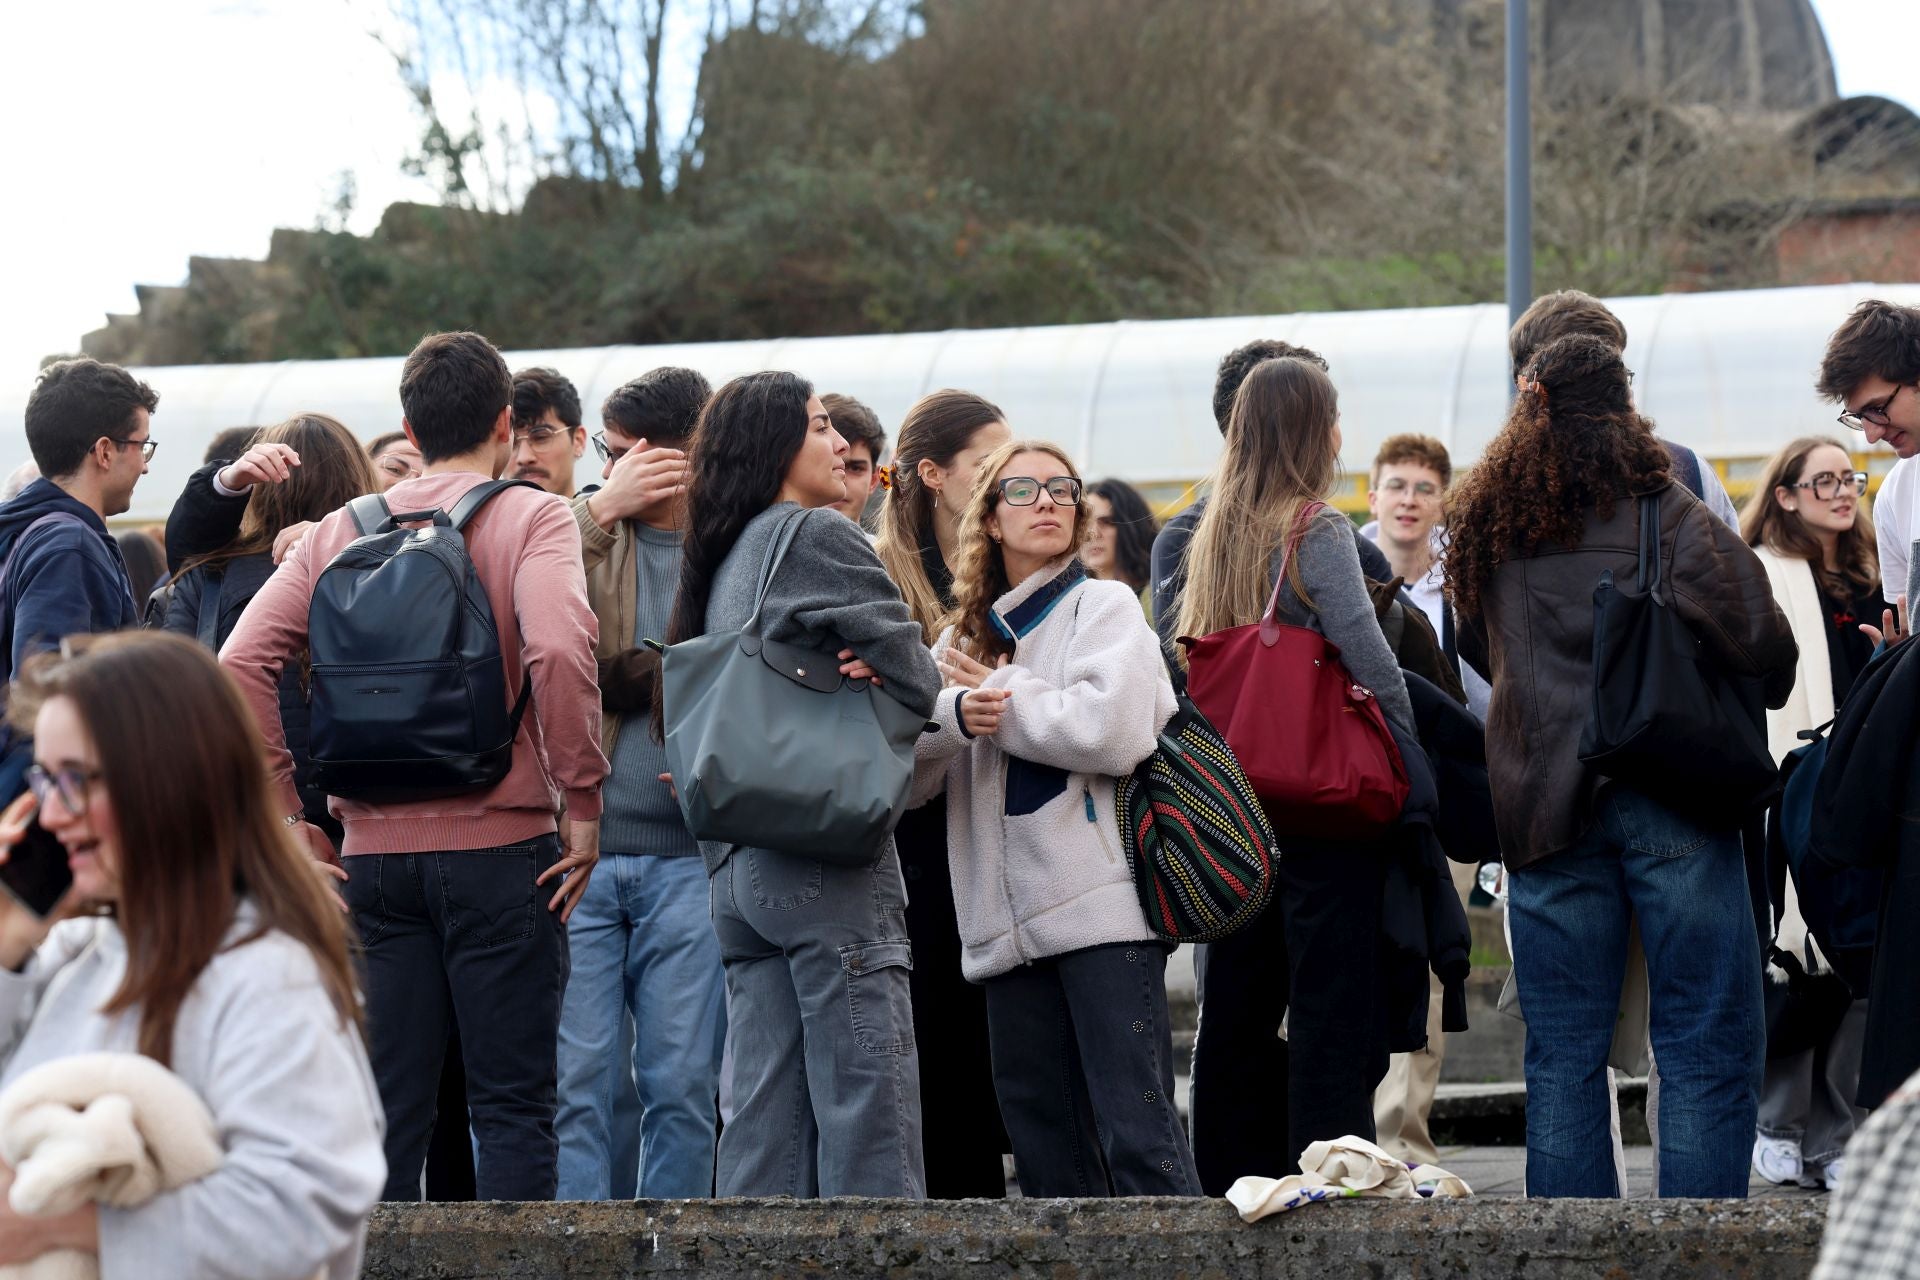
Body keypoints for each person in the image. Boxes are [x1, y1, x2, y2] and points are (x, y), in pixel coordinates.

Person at [220, 330, 609, 1203]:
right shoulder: (532, 515)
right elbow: (557, 645)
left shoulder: (335, 532)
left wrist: (291, 815)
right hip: (510, 854)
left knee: (389, 1111)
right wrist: (581, 797)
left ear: (407, 424)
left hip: (372, 860)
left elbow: (238, 666)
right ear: (506, 424)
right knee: (512, 1107)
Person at [1444, 333, 1797, 1198]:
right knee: (1703, 1042)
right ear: (1623, 406)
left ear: (1530, 404)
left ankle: (1571, 1255)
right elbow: (1766, 645)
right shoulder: (1661, 507)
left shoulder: (1487, 520)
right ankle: (1695, 1253)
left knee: (1563, 1053)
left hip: (1539, 808)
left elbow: (1476, 654)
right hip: (1666, 791)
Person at [0, 631, 383, 1279]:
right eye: (44, 781)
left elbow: (304, 1203)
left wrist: (62, 1226)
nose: (51, 815)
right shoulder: (70, 950)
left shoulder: (263, 974)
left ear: (164, 784)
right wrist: (10, 939)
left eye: (75, 781)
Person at [671, 370, 941, 1198]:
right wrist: (881, 670)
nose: (837, 443)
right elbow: (920, 677)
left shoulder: (728, 549)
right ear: (776, 444)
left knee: (763, 1110)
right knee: (869, 1093)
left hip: (740, 863)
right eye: (820, 426)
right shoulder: (818, 537)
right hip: (821, 850)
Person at [912, 439, 1200, 1197]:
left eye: (1062, 490)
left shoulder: (1103, 606)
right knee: (1047, 1157)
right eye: (1024, 489)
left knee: (1139, 1140)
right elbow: (905, 776)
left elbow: (1117, 731)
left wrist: (1004, 704)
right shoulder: (958, 642)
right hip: (1000, 936)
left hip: (1103, 919)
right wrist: (952, 714)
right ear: (990, 519)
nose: (1047, 501)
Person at [1176, 355, 1416, 1195]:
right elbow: (1370, 659)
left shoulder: (1209, 529)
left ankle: (1233, 1179)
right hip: (1318, 801)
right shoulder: (1314, 526)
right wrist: (1412, 763)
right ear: (1314, 430)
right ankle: (1331, 1169)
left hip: (1231, 800)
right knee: (1327, 1001)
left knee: (1237, 999)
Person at [557, 367, 718, 1201]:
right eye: (614, 453)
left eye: (643, 455)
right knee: (575, 1085)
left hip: (692, 854)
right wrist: (599, 509)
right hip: (578, 851)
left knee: (682, 1087)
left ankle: (676, 1247)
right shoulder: (578, 528)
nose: (622, 468)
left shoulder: (732, 542)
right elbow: (546, 645)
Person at [871, 389, 1013, 1198]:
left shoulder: (1004, 563)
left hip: (998, 837)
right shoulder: (882, 574)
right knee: (939, 1061)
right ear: (930, 474)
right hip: (916, 849)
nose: (1008, 479)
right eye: (987, 463)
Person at [1742, 436, 1880, 1192]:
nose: (1841, 490)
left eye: (1848, 477)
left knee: (1860, 964)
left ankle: (1835, 1133)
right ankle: (1779, 1121)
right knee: (1796, 955)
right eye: (1821, 480)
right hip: (1795, 784)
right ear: (1786, 494)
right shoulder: (1763, 575)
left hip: (1865, 794)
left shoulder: (1872, 577)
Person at [160, 413, 376, 855]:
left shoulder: (208, 576)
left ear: (259, 491)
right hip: (366, 815)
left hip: (247, 819)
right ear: (358, 480)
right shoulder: (384, 571)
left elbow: (172, 698)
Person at [1150, 339, 1394, 691]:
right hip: (1307, 733)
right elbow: (1374, 662)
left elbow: (1179, 672)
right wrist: (1403, 741)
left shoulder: (1187, 535)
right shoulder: (1320, 528)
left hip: (1218, 737)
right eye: (1327, 417)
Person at [1508, 290, 1739, 527]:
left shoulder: (1495, 487)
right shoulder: (1686, 470)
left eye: (1613, 373)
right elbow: (1727, 561)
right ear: (1529, 385)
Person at [0, 359, 152, 689]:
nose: (145, 467)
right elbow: (43, 694)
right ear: (105, 452)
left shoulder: (22, 529)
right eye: (143, 446)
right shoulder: (70, 547)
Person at [1819, 299, 1920, 625]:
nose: (1873, 435)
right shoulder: (1895, 494)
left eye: (1878, 408)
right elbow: (1906, 623)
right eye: (1861, 418)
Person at [510, 366, 589, 497]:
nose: (524, 458)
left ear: (578, 441)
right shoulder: (469, 515)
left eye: (541, 438)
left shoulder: (616, 515)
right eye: (511, 443)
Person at [1083, 478, 1158, 611]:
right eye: (1084, 524)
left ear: (1133, 527)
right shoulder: (1068, 604)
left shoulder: (1161, 596)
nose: (1093, 533)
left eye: (1106, 521)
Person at [822, 393, 886, 527]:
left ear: (873, 480)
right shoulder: (770, 546)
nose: (842, 480)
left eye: (855, 468)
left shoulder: (890, 549)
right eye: (828, 464)